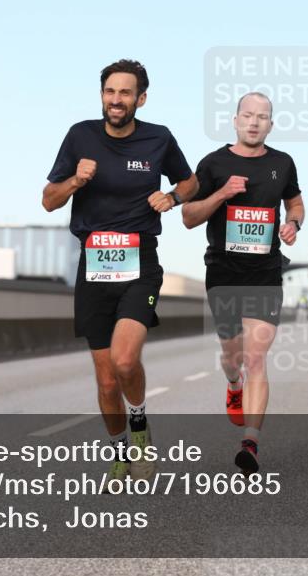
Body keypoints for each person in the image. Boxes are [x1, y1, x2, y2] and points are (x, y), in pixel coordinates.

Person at [42, 59, 198, 481]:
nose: (116, 100)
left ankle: (141, 427)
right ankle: (118, 453)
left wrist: (172, 198)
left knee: (126, 361)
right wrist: (76, 181)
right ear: (102, 96)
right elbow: (48, 200)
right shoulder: (80, 136)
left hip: (139, 262)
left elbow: (191, 183)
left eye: (125, 93)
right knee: (107, 380)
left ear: (140, 99)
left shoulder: (158, 139)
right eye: (110, 92)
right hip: (93, 264)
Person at [182, 92, 304, 475]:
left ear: (271, 124)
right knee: (233, 356)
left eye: (262, 117)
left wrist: (292, 223)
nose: (254, 122)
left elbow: (295, 203)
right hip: (223, 271)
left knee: (256, 358)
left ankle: (250, 444)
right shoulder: (214, 164)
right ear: (235, 120)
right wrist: (222, 193)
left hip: (265, 273)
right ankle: (232, 385)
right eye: (248, 116)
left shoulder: (282, 164)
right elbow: (188, 216)